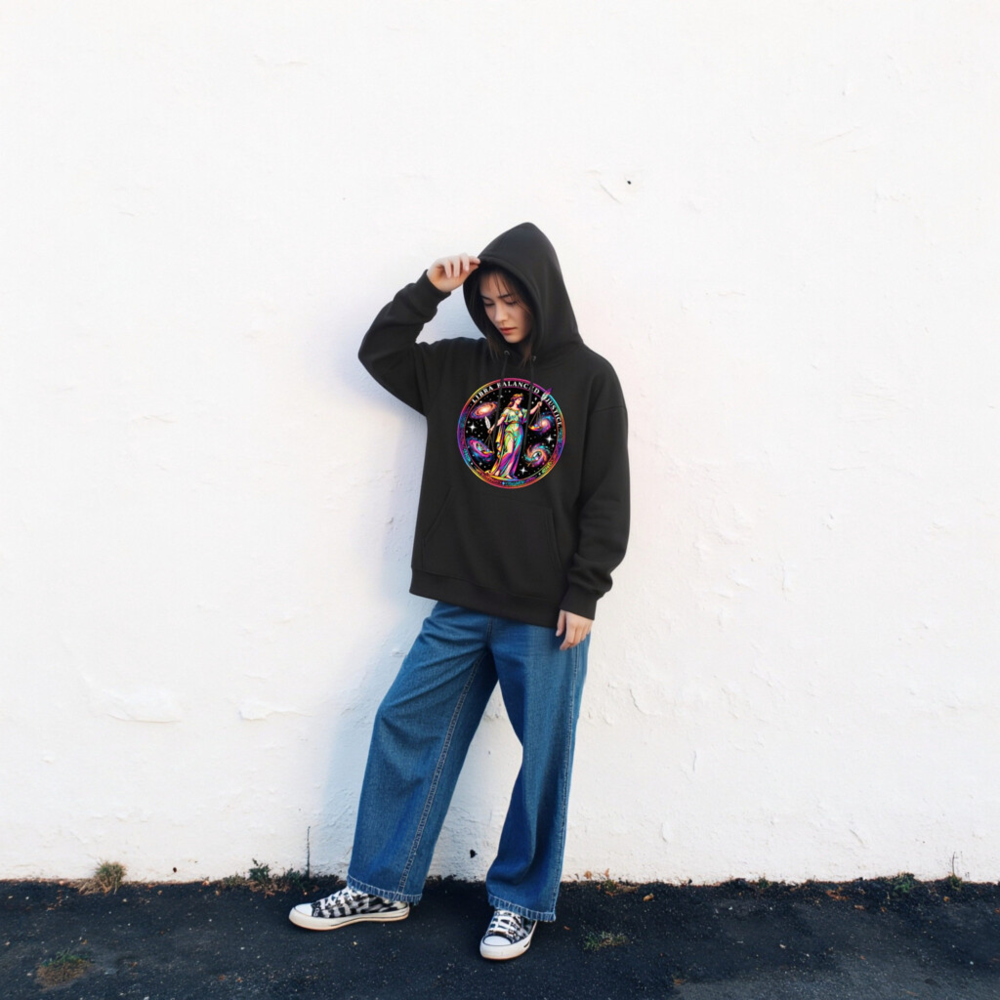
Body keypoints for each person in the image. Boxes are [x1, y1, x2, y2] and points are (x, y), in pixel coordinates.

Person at [289, 222, 630, 960]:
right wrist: (428, 290)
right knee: (405, 722)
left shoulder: (590, 377)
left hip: (545, 610)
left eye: (514, 300)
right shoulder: (454, 368)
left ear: (543, 293)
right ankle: (381, 884)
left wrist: (585, 591)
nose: (501, 315)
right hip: (462, 600)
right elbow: (380, 353)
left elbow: (606, 495)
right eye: (488, 302)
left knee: (542, 758)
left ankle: (519, 903)